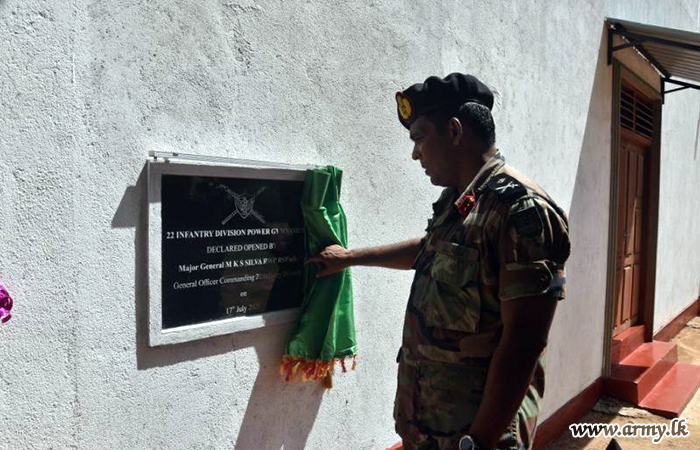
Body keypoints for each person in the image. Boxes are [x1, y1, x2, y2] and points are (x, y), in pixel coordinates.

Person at [307, 73, 571, 450]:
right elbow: (430, 249)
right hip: (430, 429)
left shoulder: (519, 211)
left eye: (419, 138)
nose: (416, 154)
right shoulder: (460, 200)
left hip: (477, 436)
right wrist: (348, 258)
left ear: (454, 131)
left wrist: (476, 442)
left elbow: (522, 345)